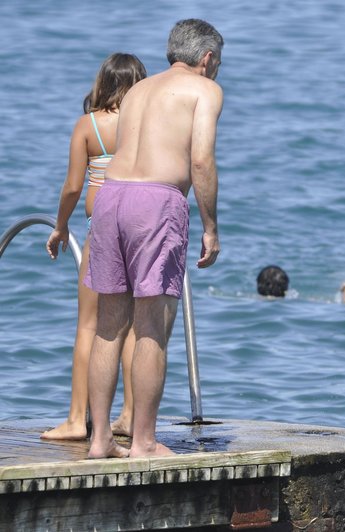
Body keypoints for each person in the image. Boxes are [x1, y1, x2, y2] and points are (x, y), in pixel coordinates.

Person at [84, 19, 224, 458]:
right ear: (207, 58)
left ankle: (101, 439)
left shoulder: (138, 91)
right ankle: (143, 441)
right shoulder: (205, 90)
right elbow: (200, 160)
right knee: (152, 328)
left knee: (108, 326)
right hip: (156, 202)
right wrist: (211, 227)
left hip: (112, 196)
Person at [43, 53, 147, 441]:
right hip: (139, 223)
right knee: (134, 326)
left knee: (90, 324)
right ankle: (130, 417)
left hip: (100, 224)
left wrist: (59, 226)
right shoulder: (145, 124)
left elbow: (73, 186)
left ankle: (75, 419)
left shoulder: (89, 125)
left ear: (102, 82)